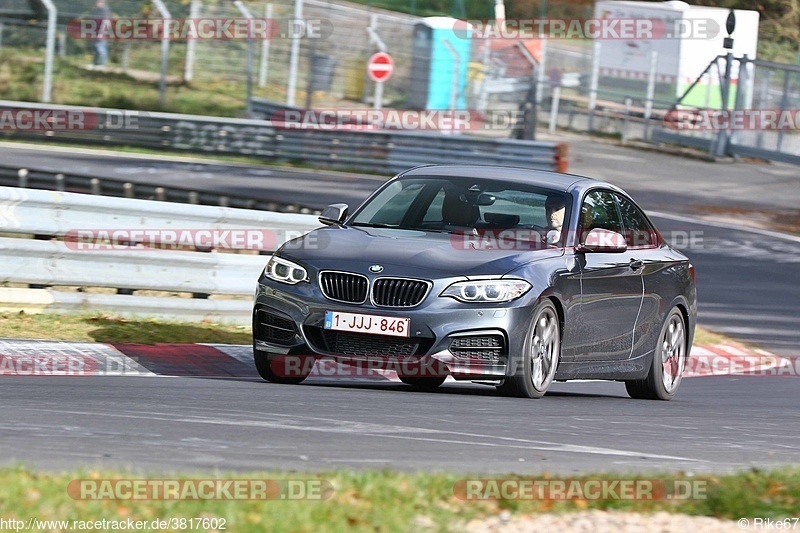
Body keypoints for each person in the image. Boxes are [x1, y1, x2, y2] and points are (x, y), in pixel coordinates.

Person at [91, 0, 111, 68]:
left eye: (98, 2)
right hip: (96, 33)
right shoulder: (98, 10)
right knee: (96, 49)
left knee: (101, 49)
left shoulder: (105, 11)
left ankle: (102, 64)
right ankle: (95, 64)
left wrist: (101, 33)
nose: (97, 3)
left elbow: (105, 23)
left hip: (101, 34)